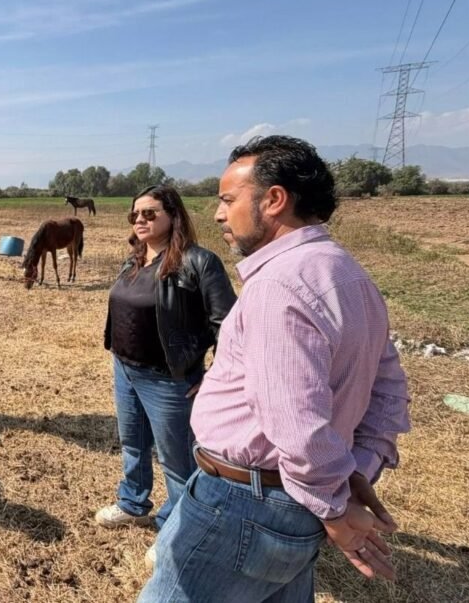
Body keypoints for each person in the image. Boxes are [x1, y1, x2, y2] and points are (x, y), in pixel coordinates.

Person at [139, 136, 410, 602]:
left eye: (228, 200)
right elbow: (387, 390)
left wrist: (336, 506)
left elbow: (297, 420)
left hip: (246, 504)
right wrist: (354, 474)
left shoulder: (280, 286)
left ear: (274, 200)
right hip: (290, 503)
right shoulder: (347, 274)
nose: (219, 214)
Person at [95, 185, 236, 535]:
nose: (140, 220)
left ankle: (175, 526)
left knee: (176, 460)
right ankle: (132, 503)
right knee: (133, 444)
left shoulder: (198, 262)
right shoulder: (134, 259)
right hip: (126, 368)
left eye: (150, 213)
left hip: (169, 378)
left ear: (173, 215)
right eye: (135, 214)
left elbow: (229, 325)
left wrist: (215, 374)